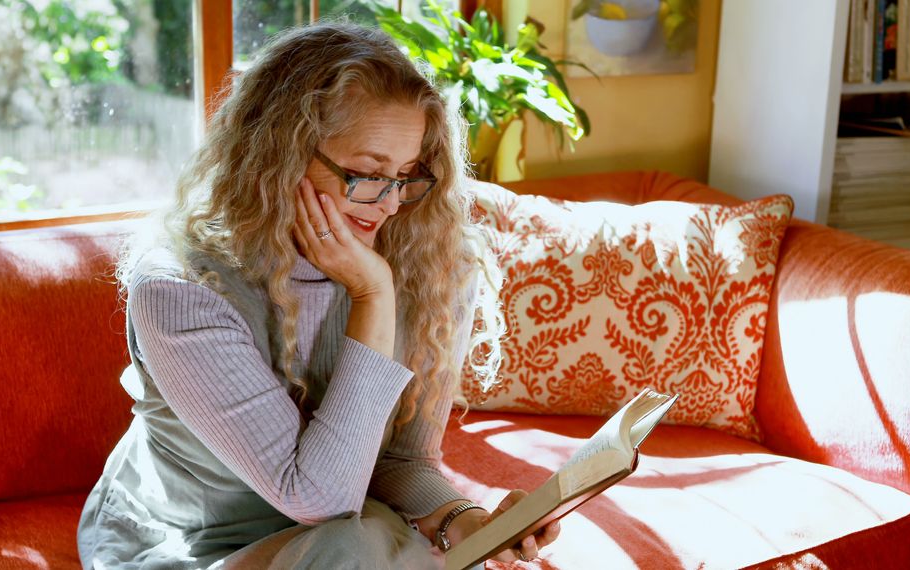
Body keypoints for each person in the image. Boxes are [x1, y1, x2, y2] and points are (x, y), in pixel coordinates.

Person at [76, 20, 560, 569]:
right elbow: (319, 500)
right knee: (356, 546)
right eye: (367, 173)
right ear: (276, 158)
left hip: (349, 531)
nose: (391, 204)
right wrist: (372, 296)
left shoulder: (432, 262)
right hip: (195, 542)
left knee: (361, 545)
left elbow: (399, 459)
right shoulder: (181, 290)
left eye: (407, 174)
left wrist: (463, 520)